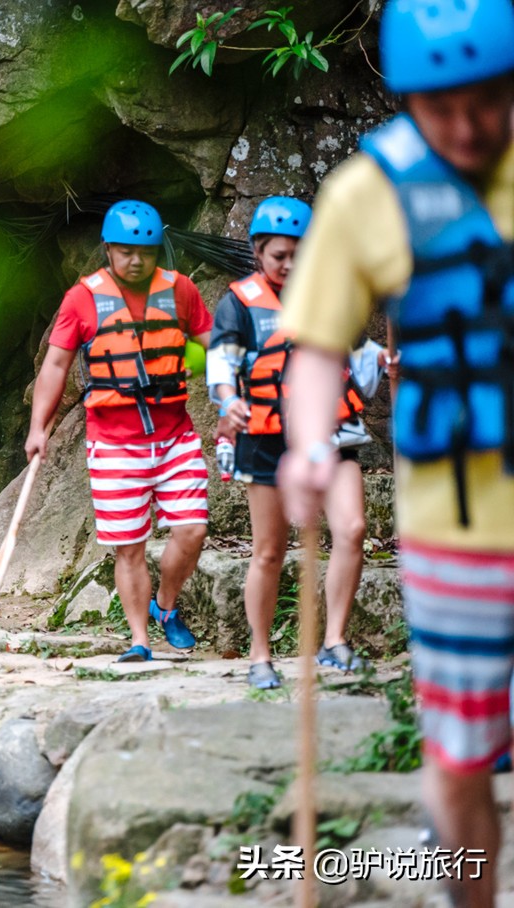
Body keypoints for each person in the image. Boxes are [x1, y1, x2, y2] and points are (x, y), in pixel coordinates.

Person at [276, 1, 514, 903]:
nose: (464, 128)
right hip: (457, 519)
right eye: (437, 106)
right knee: (458, 759)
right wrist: (305, 443)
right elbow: (318, 350)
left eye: (485, 102)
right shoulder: (366, 194)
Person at [25, 200, 213, 663]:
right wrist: (38, 427)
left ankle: (165, 607)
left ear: (157, 250)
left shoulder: (181, 290)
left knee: (192, 530)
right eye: (126, 251)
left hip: (175, 436)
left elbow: (218, 345)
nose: (136, 260)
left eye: (145, 252)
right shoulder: (82, 299)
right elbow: (55, 364)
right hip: (113, 442)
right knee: (129, 547)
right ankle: (139, 640)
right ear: (108, 249)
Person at [207, 196, 380, 690]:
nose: (291, 265)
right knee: (269, 551)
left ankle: (335, 642)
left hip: (331, 432)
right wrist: (227, 401)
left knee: (352, 529)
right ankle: (260, 654)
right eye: (280, 255)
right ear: (259, 252)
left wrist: (384, 363)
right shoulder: (238, 302)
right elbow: (222, 363)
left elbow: (360, 361)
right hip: (265, 436)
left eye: (300, 254)